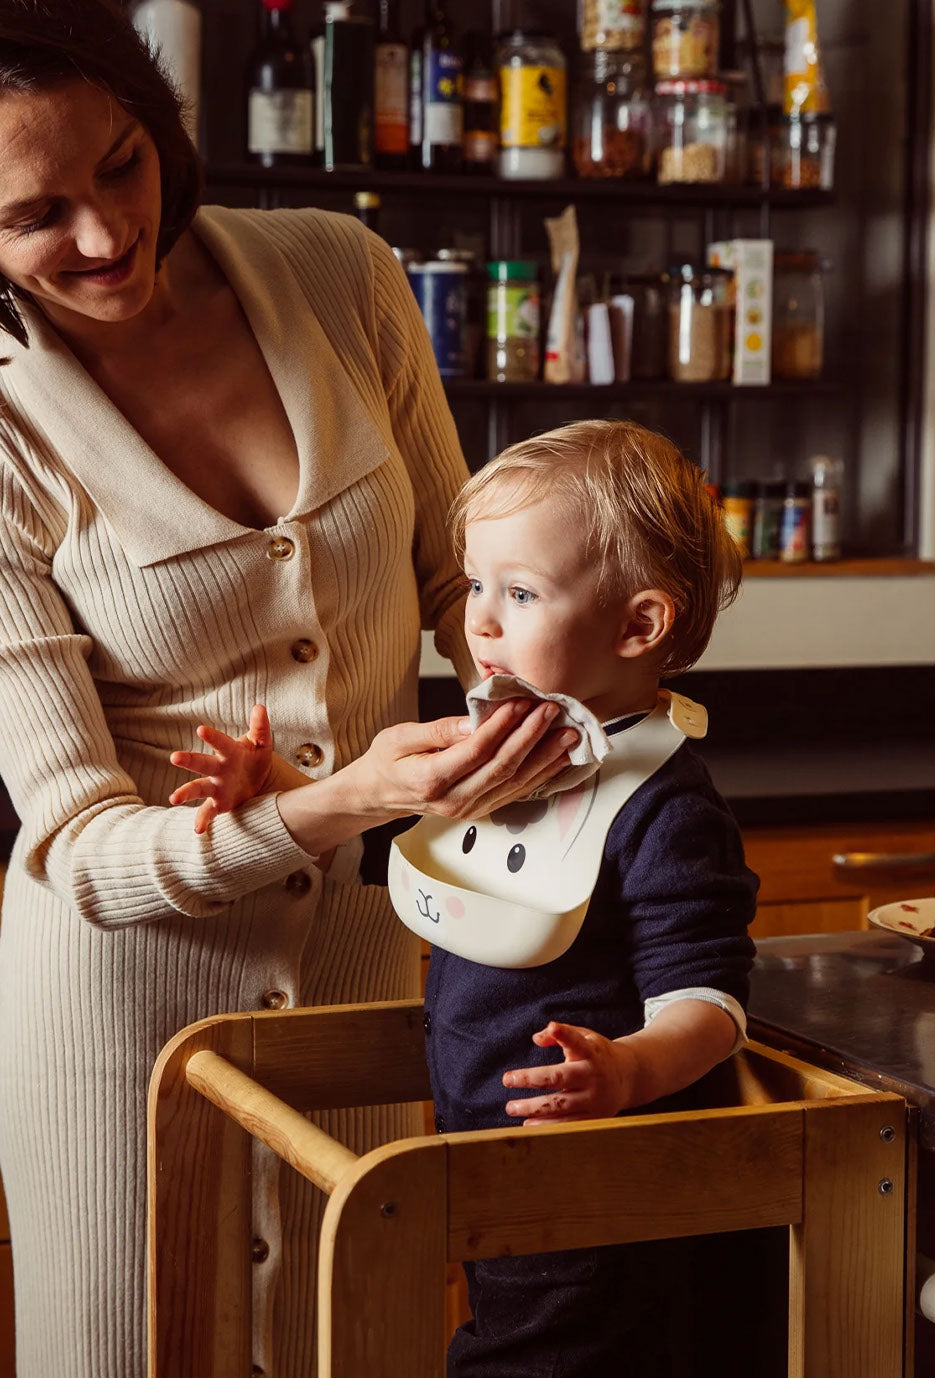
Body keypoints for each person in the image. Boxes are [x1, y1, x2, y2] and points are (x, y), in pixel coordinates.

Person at [0, 4, 576, 1377]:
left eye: (123, 166)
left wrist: (540, 686)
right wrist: (340, 801)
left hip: (364, 980)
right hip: (125, 1027)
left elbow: (462, 576)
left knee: (354, 1345)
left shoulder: (339, 272)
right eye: (33, 215)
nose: (101, 234)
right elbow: (75, 844)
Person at [175, 418, 759, 1376]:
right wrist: (279, 785)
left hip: (587, 1176)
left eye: (519, 592)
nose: (478, 618)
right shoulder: (504, 751)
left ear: (639, 626)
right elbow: (392, 852)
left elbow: (711, 1001)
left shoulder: (668, 809)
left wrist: (627, 1072)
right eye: (476, 582)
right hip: (485, 1154)